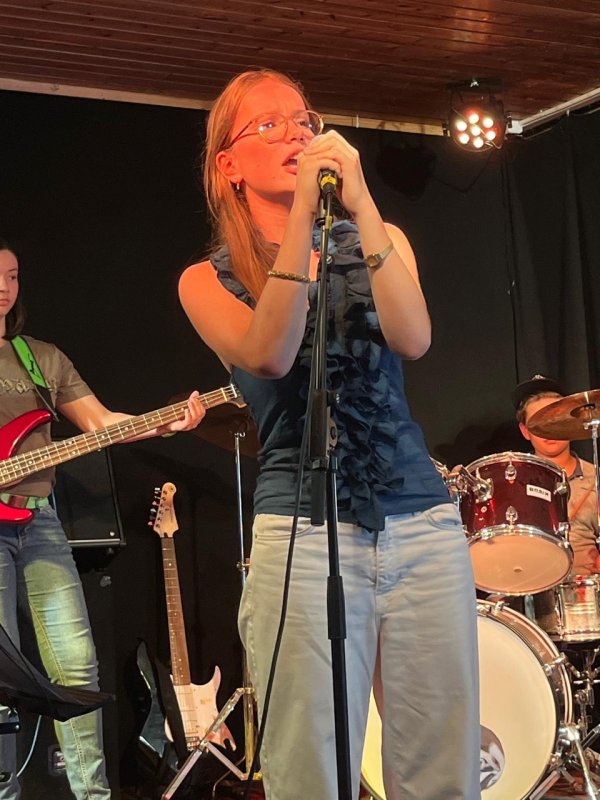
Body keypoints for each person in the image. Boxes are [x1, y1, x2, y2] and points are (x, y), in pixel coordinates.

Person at [178, 69, 480, 800]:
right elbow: (270, 354)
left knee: (442, 770)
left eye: (304, 119)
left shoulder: (381, 238)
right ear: (228, 164)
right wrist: (299, 236)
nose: (296, 133)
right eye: (270, 124)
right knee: (310, 769)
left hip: (421, 522)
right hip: (303, 534)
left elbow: (414, 338)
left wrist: (362, 204)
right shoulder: (204, 279)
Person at [0, 239, 205, 799]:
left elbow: (100, 421)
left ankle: (94, 795)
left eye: (13, 276)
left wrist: (161, 424)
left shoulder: (41, 357)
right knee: (3, 674)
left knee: (77, 667)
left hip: (40, 522)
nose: (4, 288)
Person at [513, 374, 600, 575]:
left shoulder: (595, 477)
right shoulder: (511, 480)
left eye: (554, 421)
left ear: (572, 424)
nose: (548, 430)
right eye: (538, 423)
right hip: (527, 584)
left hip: (585, 588)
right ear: (525, 431)